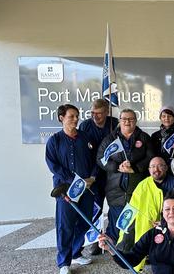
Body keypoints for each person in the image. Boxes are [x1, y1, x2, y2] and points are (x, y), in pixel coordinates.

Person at [45, 104, 97, 274]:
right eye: (71, 116)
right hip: (65, 190)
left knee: (85, 221)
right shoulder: (54, 141)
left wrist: (92, 177)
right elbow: (54, 165)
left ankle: (76, 252)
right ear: (62, 118)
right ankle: (64, 262)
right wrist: (75, 180)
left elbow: (96, 160)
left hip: (87, 189)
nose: (76, 119)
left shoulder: (86, 137)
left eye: (77, 116)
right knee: (65, 225)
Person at [98, 196, 174, 274]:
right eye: (167, 209)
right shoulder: (153, 233)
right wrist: (112, 249)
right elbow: (131, 260)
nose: (171, 212)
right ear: (162, 213)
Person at [97, 109, 154, 242]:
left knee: (139, 220)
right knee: (118, 222)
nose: (127, 121)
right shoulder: (110, 139)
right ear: (119, 121)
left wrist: (134, 168)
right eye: (124, 119)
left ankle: (138, 250)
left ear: (135, 121)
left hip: (138, 186)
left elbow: (151, 157)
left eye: (131, 119)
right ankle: (118, 251)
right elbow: (100, 158)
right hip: (116, 190)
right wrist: (117, 167)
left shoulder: (144, 137)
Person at [118, 157, 174, 271]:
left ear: (166, 168)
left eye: (160, 166)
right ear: (149, 169)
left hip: (169, 221)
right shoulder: (143, 184)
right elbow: (133, 205)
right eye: (152, 167)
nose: (156, 169)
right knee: (131, 231)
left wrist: (163, 221)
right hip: (148, 222)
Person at [78, 98, 119, 255]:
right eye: (92, 113)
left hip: (112, 172)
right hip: (93, 175)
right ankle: (94, 241)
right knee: (95, 208)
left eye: (99, 113)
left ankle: (114, 239)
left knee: (115, 206)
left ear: (107, 112)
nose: (95, 116)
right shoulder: (85, 125)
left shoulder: (114, 123)